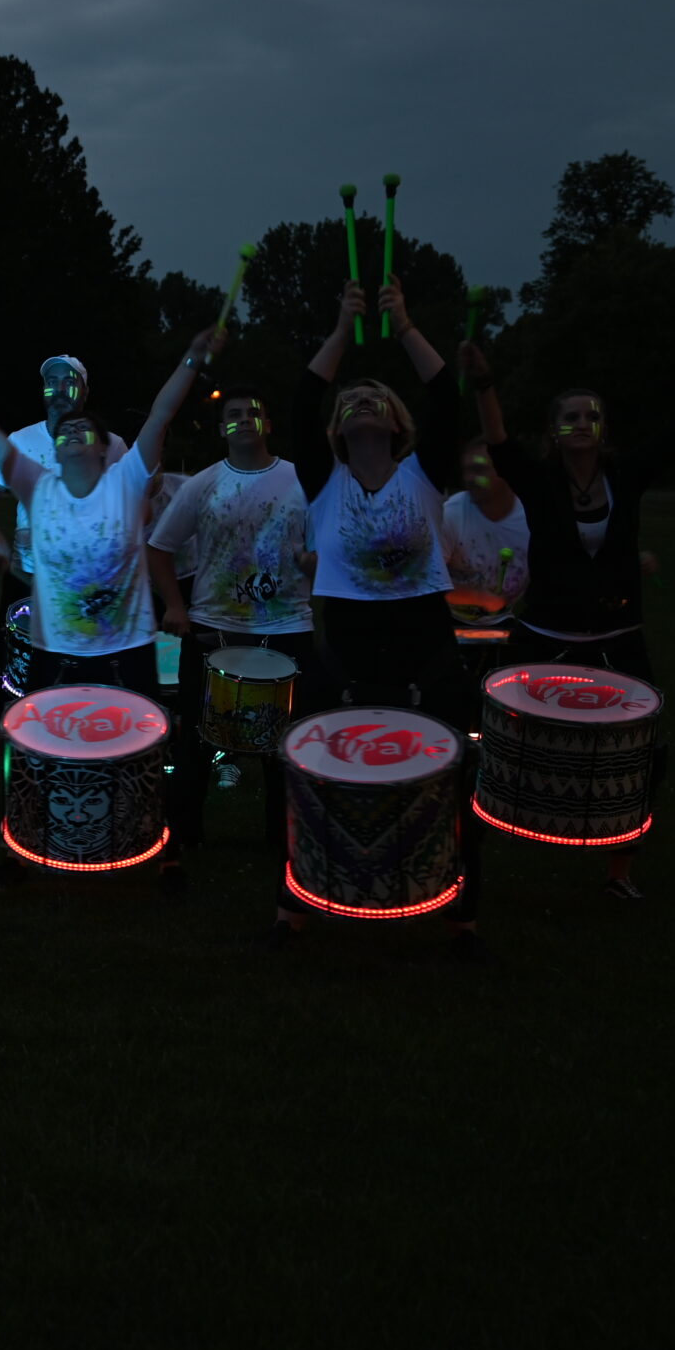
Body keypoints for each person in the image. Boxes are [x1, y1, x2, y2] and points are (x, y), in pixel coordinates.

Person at [458, 330, 675, 899]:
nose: (580, 422)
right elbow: (498, 440)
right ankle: (481, 842)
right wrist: (483, 381)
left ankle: (619, 871)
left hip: (617, 637)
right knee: (502, 742)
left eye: (590, 415)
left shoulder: (626, 475)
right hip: (544, 634)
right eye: (569, 416)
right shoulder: (539, 480)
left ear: (603, 428)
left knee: (636, 753)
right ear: (554, 430)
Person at [0, 326, 226, 892]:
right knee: (36, 742)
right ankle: (24, 849)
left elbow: (163, 412)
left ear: (102, 446)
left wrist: (193, 359)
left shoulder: (126, 478)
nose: (69, 432)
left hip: (124, 647)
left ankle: (158, 853)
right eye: (64, 431)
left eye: (82, 429)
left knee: (144, 745)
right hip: (56, 648)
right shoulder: (39, 486)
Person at [273, 278, 476, 952]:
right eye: (351, 399)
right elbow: (303, 397)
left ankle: (460, 906)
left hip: (426, 648)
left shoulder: (424, 474)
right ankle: (294, 905)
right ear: (338, 428)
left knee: (448, 777)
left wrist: (406, 327)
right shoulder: (322, 479)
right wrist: (339, 329)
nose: (362, 399)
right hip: (346, 653)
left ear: (397, 423)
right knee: (312, 777)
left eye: (376, 398)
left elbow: (447, 395)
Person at [146, 384, 311, 858]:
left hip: (287, 629)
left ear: (268, 424)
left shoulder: (301, 481)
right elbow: (159, 548)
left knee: (285, 747)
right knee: (198, 742)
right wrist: (175, 607)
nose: (243, 418)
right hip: (215, 628)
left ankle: (284, 844)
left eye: (253, 411)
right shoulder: (204, 483)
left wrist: (312, 565)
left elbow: (322, 554)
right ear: (222, 429)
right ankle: (182, 841)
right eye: (233, 414)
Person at [0, 354, 130, 812]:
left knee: (81, 683)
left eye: (68, 380)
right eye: (50, 380)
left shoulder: (110, 444)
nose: (57, 387)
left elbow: (132, 499)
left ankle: (80, 773)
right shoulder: (21, 440)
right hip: (27, 581)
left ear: (85, 391)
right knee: (7, 680)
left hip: (85, 588)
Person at [440, 437, 531, 626]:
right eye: (467, 470)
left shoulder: (532, 516)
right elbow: (428, 583)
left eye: (479, 469)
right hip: (454, 624)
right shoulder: (450, 515)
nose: (469, 479)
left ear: (505, 471)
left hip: (514, 624)